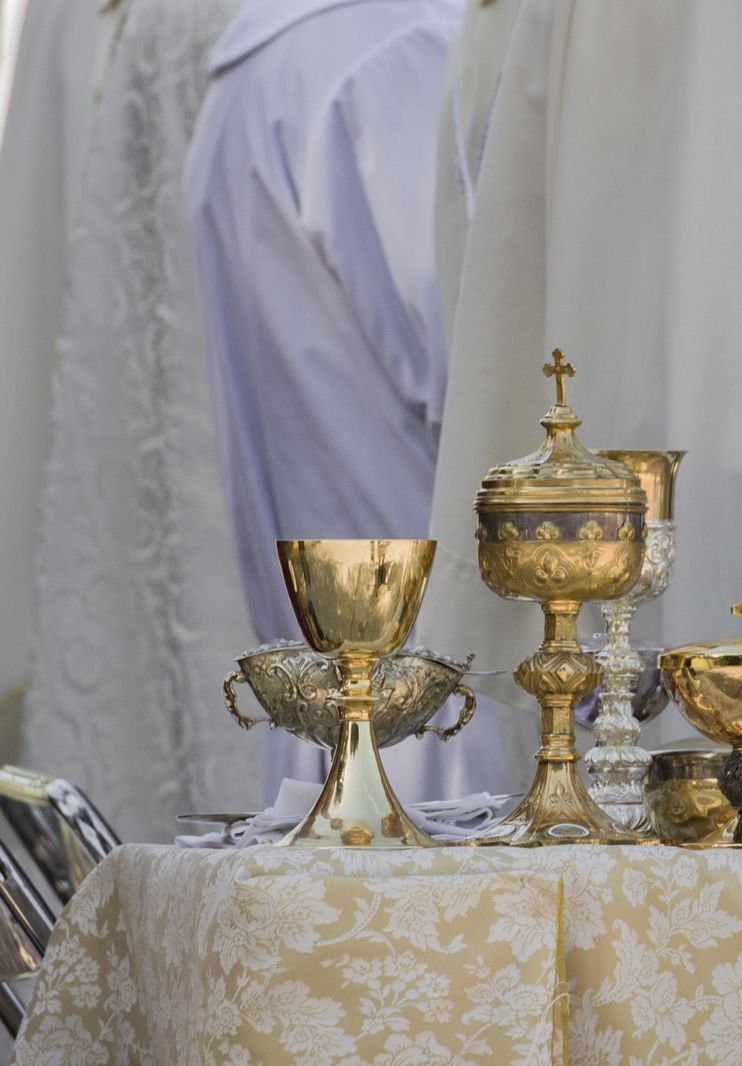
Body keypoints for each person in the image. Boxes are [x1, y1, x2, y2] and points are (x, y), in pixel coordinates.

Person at [185, 0, 508, 803]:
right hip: (452, 712)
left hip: (332, 707)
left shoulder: (261, 64)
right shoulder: (393, 53)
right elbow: (480, 381)